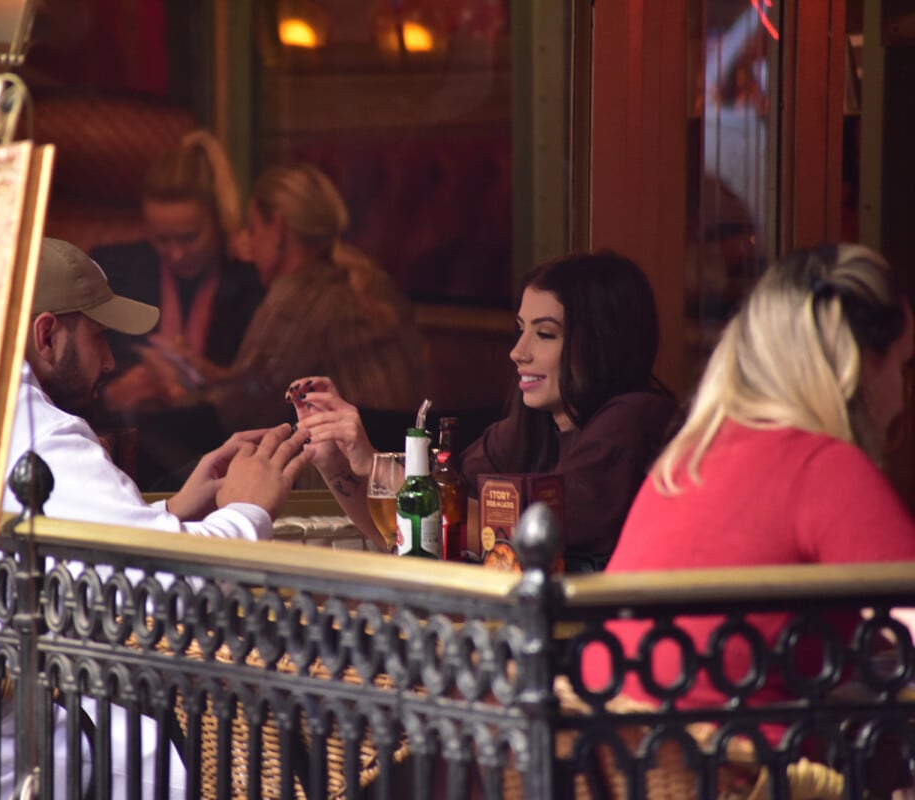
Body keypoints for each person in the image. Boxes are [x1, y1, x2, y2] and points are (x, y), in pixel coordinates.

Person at [0, 237, 311, 799]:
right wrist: (250, 510)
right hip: (22, 765)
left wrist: (173, 510)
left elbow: (83, 545)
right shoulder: (39, 430)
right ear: (47, 335)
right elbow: (164, 591)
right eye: (100, 338)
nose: (109, 361)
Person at [583, 244, 915, 736]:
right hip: (741, 777)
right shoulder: (822, 467)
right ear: (864, 364)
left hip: (621, 767)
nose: (906, 394)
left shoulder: (693, 456)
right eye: (906, 367)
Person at [290, 251, 676, 567]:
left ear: (601, 343)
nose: (518, 352)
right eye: (520, 329)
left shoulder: (635, 419)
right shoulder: (523, 430)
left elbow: (525, 535)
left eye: (544, 334)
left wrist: (380, 466)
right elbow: (423, 537)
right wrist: (335, 462)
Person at [206, 162, 429, 434]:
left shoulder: (299, 294)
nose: (248, 246)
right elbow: (261, 380)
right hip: (404, 456)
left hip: (352, 464)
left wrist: (177, 391)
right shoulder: (367, 281)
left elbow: (241, 409)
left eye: (252, 229)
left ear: (277, 227)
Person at [89, 130, 264, 374]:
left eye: (190, 238)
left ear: (219, 221)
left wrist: (213, 380)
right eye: (161, 239)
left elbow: (266, 387)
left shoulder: (250, 279)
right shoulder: (110, 272)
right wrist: (112, 393)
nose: (176, 254)